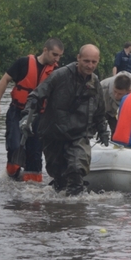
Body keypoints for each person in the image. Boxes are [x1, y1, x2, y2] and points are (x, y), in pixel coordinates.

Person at [21, 44, 109, 196]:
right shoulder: (59, 75)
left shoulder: (95, 83)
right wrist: (27, 116)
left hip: (79, 134)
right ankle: (60, 212)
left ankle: (76, 210)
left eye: (94, 62)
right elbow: (36, 95)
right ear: (78, 58)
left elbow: (100, 111)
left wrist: (102, 130)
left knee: (76, 168)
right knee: (59, 177)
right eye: (86, 61)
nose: (90, 65)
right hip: (53, 133)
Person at [0, 38, 64, 182]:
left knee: (35, 155)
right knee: (15, 145)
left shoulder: (56, 72)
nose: (57, 59)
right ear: (45, 50)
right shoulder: (23, 63)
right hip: (18, 112)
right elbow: (4, 80)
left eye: (59, 56)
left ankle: (31, 191)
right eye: (55, 54)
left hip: (40, 117)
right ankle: (12, 177)